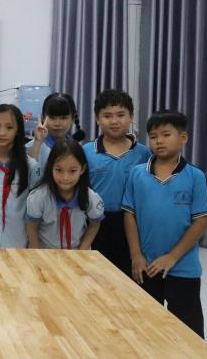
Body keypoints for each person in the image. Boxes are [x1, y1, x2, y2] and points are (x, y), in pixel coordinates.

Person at [122, 111, 207, 338]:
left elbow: (201, 221)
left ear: (183, 137)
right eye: (153, 137)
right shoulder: (137, 174)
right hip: (146, 267)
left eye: (166, 135)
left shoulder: (196, 176)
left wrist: (172, 257)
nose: (159, 141)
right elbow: (129, 215)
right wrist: (136, 255)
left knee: (187, 333)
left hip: (182, 268)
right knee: (145, 330)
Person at [84, 89, 151, 274]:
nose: (114, 121)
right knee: (97, 274)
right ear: (97, 119)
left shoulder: (144, 153)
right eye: (107, 116)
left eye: (121, 115)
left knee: (128, 274)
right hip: (96, 222)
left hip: (133, 223)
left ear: (131, 117)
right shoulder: (86, 151)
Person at [0, 104, 41, 248]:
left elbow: (35, 206)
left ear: (18, 130)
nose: (2, 133)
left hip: (18, 243)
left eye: (9, 127)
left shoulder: (30, 166)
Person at [25, 139, 104, 250]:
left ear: (82, 169)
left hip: (77, 254)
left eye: (72, 171)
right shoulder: (39, 197)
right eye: (59, 170)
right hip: (45, 253)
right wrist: (36, 253)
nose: (65, 177)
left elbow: (94, 224)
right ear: (50, 167)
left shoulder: (90, 197)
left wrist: (82, 251)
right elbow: (32, 226)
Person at [27, 92, 86, 173]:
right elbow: (27, 175)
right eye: (52, 117)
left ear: (72, 119)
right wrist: (37, 144)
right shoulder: (31, 147)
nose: (57, 123)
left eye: (63, 118)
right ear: (43, 118)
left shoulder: (77, 149)